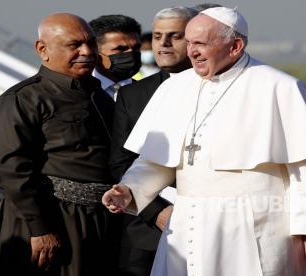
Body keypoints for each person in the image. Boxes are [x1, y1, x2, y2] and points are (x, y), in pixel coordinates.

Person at [103, 7, 306, 276]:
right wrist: (129, 189)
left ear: (235, 46)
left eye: (200, 43)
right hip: (188, 224)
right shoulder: (174, 88)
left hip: (257, 226)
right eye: (189, 43)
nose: (191, 52)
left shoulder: (281, 87)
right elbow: (156, 162)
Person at [0, 13, 121, 276]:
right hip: (54, 220)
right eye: (74, 45)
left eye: (91, 44)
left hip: (103, 221)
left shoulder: (100, 95)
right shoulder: (22, 100)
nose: (87, 52)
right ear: (42, 49)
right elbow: (12, 171)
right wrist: (41, 228)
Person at [109, 6, 196, 276]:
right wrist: (156, 212)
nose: (163, 44)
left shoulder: (228, 91)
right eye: (157, 36)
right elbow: (120, 162)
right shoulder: (132, 95)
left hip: (208, 224)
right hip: (146, 231)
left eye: (174, 36)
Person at [89, 15, 142, 101]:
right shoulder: (79, 93)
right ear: (95, 52)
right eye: (120, 49)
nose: (131, 54)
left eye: (136, 48)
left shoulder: (151, 92)